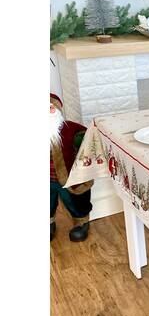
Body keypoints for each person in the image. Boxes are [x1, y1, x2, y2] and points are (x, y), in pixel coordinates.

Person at [50, 93, 93, 242]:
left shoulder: (69, 128)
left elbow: (86, 135)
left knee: (74, 200)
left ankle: (81, 222)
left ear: (57, 110)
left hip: (66, 178)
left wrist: (79, 142)